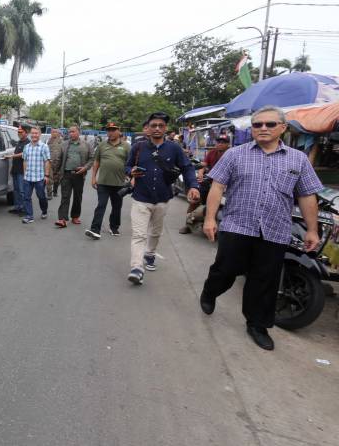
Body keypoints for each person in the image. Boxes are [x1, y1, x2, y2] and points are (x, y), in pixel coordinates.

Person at [200, 106, 322, 351]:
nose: (263, 128)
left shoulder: (298, 159)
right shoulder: (234, 154)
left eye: (270, 124)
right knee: (225, 269)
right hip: (237, 224)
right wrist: (209, 219)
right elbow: (217, 187)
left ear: (282, 128)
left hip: (275, 230)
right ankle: (210, 292)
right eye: (257, 124)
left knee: (264, 280)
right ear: (252, 129)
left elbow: (307, 195)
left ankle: (257, 324)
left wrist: (312, 229)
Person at [125, 112, 200, 285]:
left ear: (165, 128)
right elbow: (127, 166)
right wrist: (131, 171)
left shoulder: (174, 148)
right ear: (148, 128)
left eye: (161, 125)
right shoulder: (138, 147)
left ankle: (150, 253)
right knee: (139, 234)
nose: (157, 128)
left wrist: (193, 186)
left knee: (156, 232)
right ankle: (136, 268)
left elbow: (187, 167)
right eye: (154, 125)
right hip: (141, 198)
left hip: (162, 199)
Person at [84, 122, 131, 238]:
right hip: (103, 183)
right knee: (101, 205)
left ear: (119, 131)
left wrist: (129, 175)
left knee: (117, 207)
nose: (110, 132)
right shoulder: (102, 145)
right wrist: (93, 178)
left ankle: (114, 227)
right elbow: (96, 162)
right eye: (109, 130)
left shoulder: (126, 146)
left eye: (113, 130)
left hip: (119, 183)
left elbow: (130, 163)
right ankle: (95, 229)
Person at [179, 135, 230, 234]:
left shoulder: (232, 154)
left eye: (223, 142)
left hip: (226, 184)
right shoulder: (212, 153)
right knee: (195, 199)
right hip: (210, 181)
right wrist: (200, 172)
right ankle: (188, 225)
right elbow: (204, 164)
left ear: (228, 144)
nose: (220, 144)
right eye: (219, 142)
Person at [54, 124, 94, 227]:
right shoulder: (64, 144)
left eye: (73, 131)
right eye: (69, 132)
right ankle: (62, 219)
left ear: (78, 132)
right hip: (66, 174)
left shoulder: (86, 145)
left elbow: (91, 159)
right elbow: (59, 159)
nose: (70, 133)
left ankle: (75, 216)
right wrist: (55, 173)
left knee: (77, 197)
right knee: (65, 196)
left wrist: (85, 168)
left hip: (79, 175)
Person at [21, 126, 51, 223]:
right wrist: (25, 174)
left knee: (41, 197)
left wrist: (46, 175)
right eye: (32, 133)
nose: (34, 135)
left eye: (36, 133)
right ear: (30, 134)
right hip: (28, 177)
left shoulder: (44, 147)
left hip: (39, 178)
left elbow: (47, 161)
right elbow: (25, 161)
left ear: (39, 134)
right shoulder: (26, 147)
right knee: (26, 197)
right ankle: (29, 216)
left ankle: (44, 210)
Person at [5, 125, 30, 215]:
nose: (19, 133)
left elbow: (24, 153)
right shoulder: (19, 142)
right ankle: (17, 207)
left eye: (21, 132)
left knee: (22, 190)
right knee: (15, 190)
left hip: (22, 171)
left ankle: (23, 209)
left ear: (26, 133)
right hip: (15, 170)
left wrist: (12, 156)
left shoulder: (28, 143)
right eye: (18, 132)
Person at [46, 128, 64, 199]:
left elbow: (63, 152)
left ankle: (55, 191)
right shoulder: (48, 141)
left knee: (57, 179)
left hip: (58, 163)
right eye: (53, 132)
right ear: (51, 133)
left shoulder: (62, 141)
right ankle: (49, 194)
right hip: (50, 163)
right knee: (49, 179)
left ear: (58, 133)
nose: (54, 133)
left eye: (56, 132)